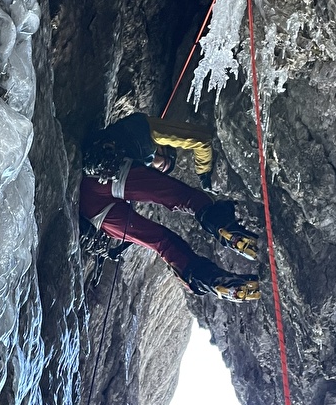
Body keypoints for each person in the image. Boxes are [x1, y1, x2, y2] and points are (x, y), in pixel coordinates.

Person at [79, 115, 261, 302]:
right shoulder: (146, 129)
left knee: (163, 242)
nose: (159, 168)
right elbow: (201, 138)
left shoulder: (132, 143)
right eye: (162, 165)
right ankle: (224, 236)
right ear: (163, 150)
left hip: (95, 204)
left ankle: (209, 280)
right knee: (185, 202)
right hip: (106, 178)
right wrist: (204, 172)